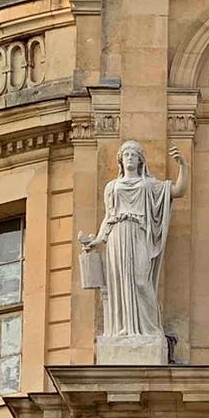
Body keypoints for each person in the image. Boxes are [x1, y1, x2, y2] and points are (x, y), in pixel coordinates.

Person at [80, 142, 186, 344]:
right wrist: (97, 240)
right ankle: (123, 328)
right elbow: (109, 216)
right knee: (119, 282)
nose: (129, 157)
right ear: (120, 159)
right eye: (126, 154)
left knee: (140, 280)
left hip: (139, 233)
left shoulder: (149, 185)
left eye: (133, 154)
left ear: (140, 160)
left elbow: (179, 190)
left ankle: (150, 330)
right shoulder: (112, 187)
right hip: (117, 235)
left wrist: (183, 166)